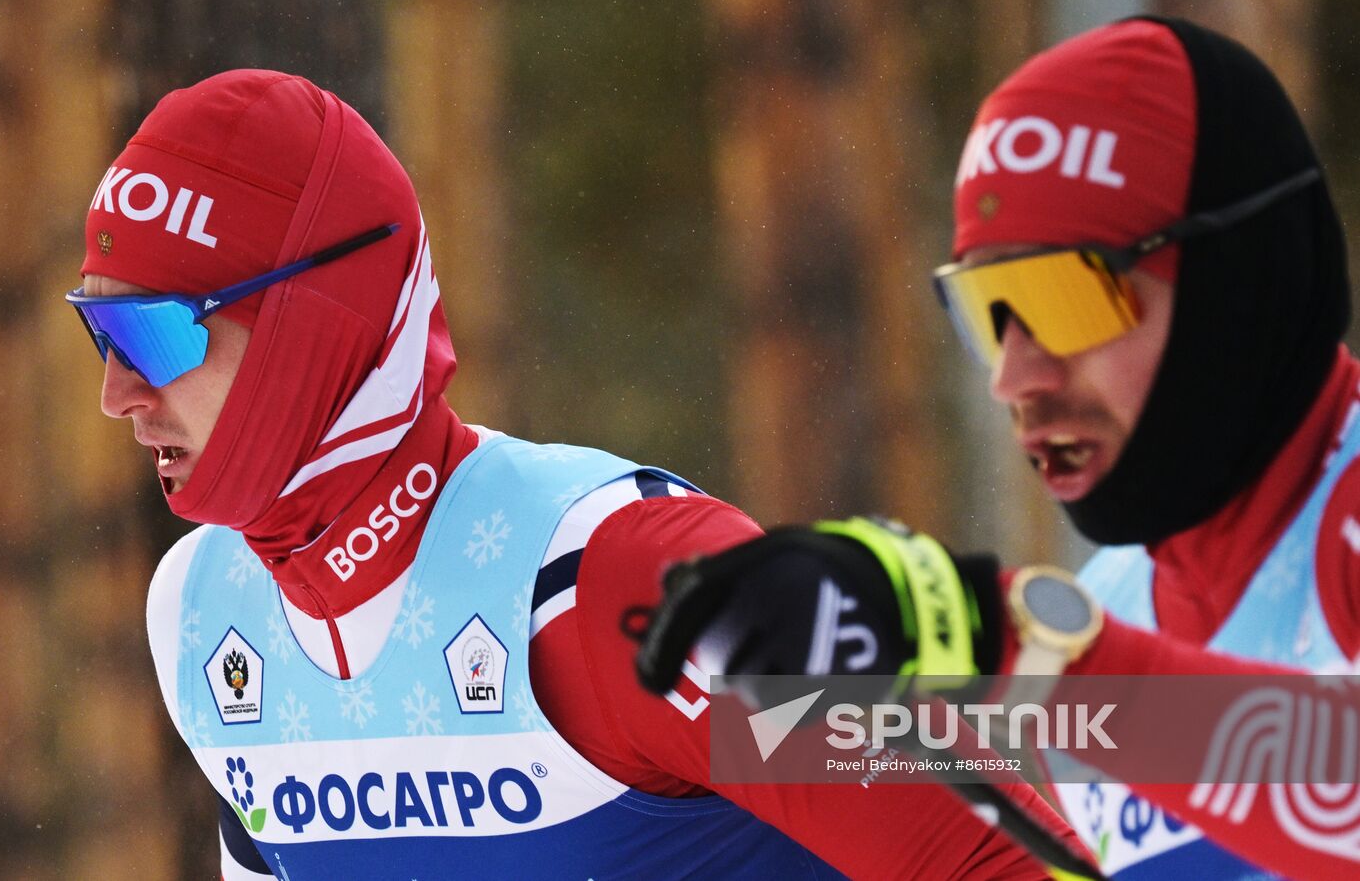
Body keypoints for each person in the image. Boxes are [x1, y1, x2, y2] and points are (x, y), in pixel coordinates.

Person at [68, 69, 1072, 880]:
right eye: (96, 331)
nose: (116, 393)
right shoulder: (204, 610)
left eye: (150, 333)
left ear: (311, 324)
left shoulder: (616, 578)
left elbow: (1015, 849)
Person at [635, 17, 1360, 880]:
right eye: (990, 312)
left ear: (1238, 281)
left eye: (1066, 296)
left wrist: (986, 634)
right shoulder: (1116, 606)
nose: (1015, 377)